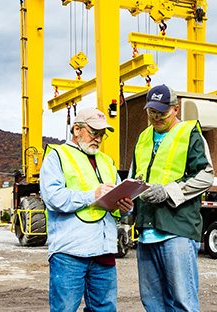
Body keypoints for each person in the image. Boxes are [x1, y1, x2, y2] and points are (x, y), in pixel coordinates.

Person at [130, 84, 214, 311]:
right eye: (152, 112)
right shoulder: (144, 138)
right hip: (146, 232)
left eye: (162, 113)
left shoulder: (189, 133)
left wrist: (169, 191)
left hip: (176, 230)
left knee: (182, 302)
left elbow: (206, 175)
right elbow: (134, 177)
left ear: (175, 109)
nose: (156, 117)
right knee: (153, 303)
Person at [40, 107, 133, 312]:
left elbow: (115, 204)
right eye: (94, 132)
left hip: (103, 249)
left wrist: (124, 207)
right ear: (76, 129)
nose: (98, 139)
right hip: (70, 252)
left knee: (105, 309)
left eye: (102, 134)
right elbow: (53, 197)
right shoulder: (57, 156)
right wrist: (92, 195)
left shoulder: (107, 162)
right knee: (64, 309)